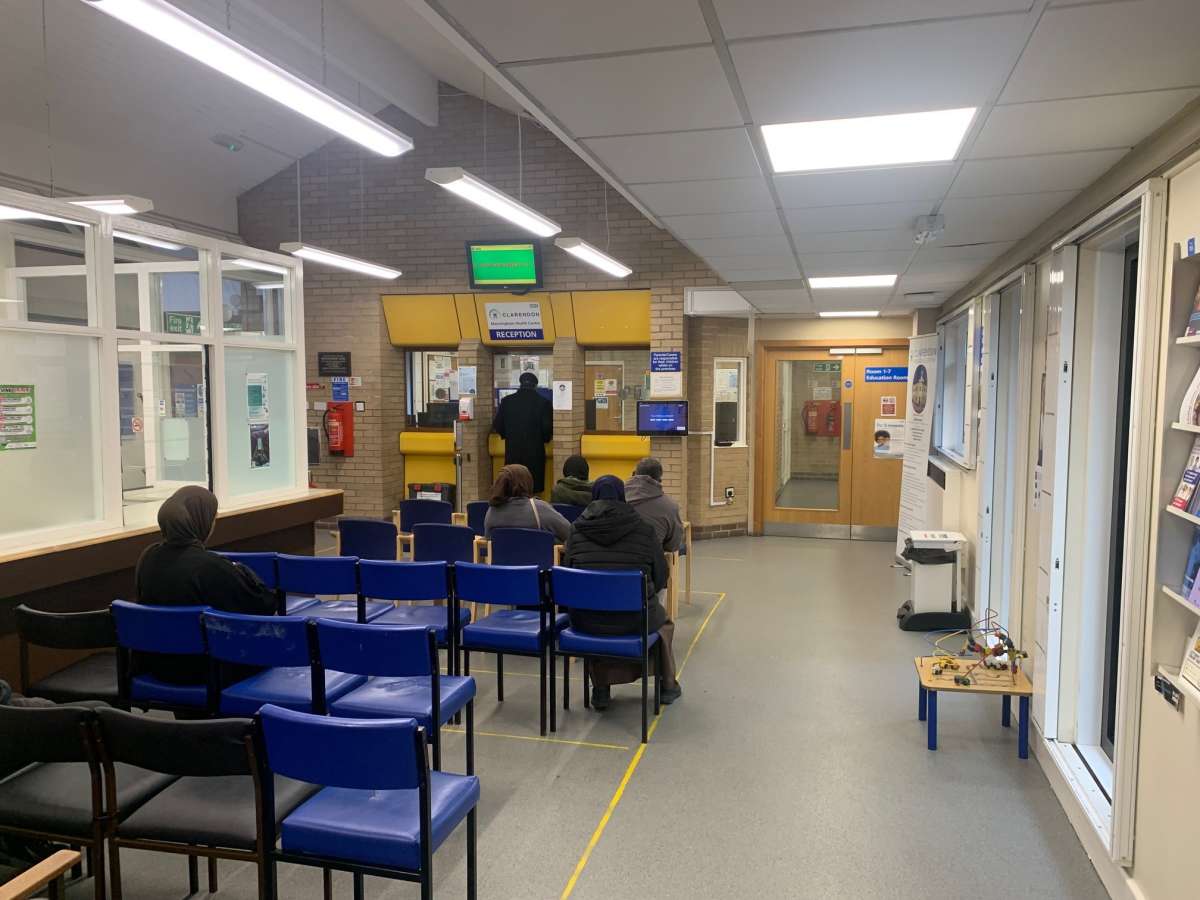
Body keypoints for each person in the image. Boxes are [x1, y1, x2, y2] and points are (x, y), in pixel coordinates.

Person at [134, 485, 276, 683]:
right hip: (208, 669)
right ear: (201, 521)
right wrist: (243, 571)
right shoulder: (211, 567)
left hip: (158, 665)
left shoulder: (147, 557)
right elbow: (264, 605)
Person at [562, 476, 680, 709]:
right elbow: (660, 576)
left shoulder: (575, 531)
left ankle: (600, 688)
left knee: (599, 615)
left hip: (587, 620)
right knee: (663, 623)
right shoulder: (644, 530)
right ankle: (667, 686)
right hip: (636, 619)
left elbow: (569, 575)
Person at [492, 371, 553, 494]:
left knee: (512, 485)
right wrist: (544, 439)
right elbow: (547, 429)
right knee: (532, 487)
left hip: (513, 452)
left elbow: (497, 425)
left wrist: (508, 435)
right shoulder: (543, 403)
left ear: (520, 384)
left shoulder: (507, 401)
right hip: (535, 454)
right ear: (535, 385)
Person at [484, 464, 571, 542]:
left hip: (502, 556)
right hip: (538, 555)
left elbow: (488, 541)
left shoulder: (492, 511)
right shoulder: (540, 509)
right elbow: (569, 533)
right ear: (527, 483)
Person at [625, 457, 684, 552]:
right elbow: (673, 545)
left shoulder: (617, 498)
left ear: (634, 474)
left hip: (617, 556)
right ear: (659, 480)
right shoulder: (670, 506)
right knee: (681, 547)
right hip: (650, 558)